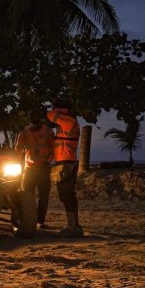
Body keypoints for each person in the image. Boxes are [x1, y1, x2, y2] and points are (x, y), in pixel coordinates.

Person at [47, 98, 83, 237]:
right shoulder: (69, 121)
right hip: (67, 162)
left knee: (66, 196)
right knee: (69, 196)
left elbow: (50, 116)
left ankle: (72, 227)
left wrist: (54, 110)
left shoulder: (68, 121)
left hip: (66, 164)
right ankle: (74, 225)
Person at [15, 109, 54, 230]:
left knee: (44, 196)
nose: (34, 119)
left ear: (40, 118)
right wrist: (17, 164)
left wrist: (49, 160)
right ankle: (29, 219)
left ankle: (40, 221)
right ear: (28, 119)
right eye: (31, 117)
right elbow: (18, 150)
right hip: (29, 169)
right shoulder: (24, 133)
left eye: (36, 117)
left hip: (43, 168)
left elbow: (54, 147)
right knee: (27, 196)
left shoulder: (48, 131)